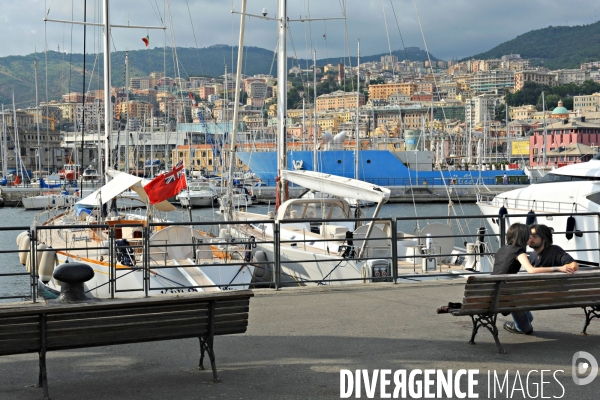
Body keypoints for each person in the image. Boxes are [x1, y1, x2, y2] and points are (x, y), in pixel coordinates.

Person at [492, 223, 576, 335]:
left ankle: (523, 324)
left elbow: (504, 270)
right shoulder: (524, 254)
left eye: (534, 236)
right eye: (529, 235)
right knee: (516, 297)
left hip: (494, 293)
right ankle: (524, 325)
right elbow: (531, 270)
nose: (530, 238)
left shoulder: (502, 249)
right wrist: (558, 268)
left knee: (515, 296)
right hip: (516, 296)